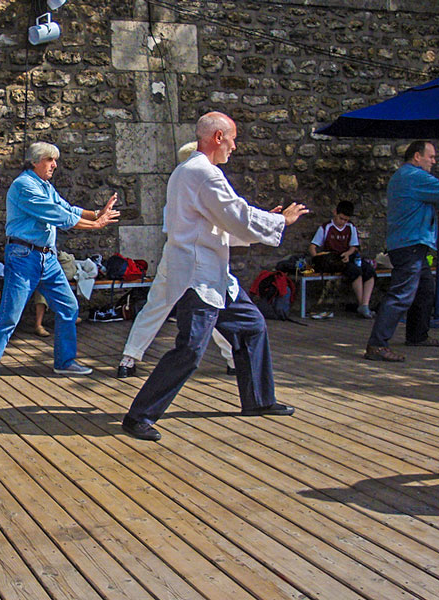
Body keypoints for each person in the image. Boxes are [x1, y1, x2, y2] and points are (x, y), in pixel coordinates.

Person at [121, 111, 308, 442]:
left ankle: (258, 400)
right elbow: (236, 216)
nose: (234, 147)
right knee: (190, 349)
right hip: (198, 277)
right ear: (217, 137)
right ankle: (139, 416)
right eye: (232, 138)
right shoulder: (203, 174)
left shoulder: (191, 172)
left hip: (213, 276)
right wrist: (281, 223)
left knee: (252, 327)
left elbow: (225, 221)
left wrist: (265, 220)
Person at [0, 142, 119, 388]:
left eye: (55, 160)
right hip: (23, 257)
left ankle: (64, 362)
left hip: (48, 259)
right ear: (34, 161)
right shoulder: (23, 186)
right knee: (10, 315)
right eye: (50, 160)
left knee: (68, 306)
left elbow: (67, 208)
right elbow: (58, 216)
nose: (55, 165)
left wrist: (96, 214)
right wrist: (96, 224)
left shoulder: (45, 186)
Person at [117, 141, 236, 379]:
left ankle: (128, 358)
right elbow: (229, 218)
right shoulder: (203, 183)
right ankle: (234, 359)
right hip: (199, 258)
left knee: (158, 306)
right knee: (214, 302)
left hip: (177, 256)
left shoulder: (179, 187)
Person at [364, 140, 439, 361]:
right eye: (431, 157)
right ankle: (377, 344)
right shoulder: (415, 177)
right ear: (417, 156)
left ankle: (417, 334)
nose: (434, 162)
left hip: (409, 244)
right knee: (401, 294)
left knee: (425, 288)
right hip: (410, 245)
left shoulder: (403, 176)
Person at [307, 200, 375, 318]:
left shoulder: (350, 227)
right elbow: (313, 246)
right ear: (335, 213)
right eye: (341, 218)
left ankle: (365, 304)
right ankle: (361, 304)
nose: (342, 222)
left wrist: (348, 253)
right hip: (334, 258)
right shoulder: (326, 227)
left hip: (348, 255)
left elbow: (354, 246)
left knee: (369, 271)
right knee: (355, 272)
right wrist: (317, 258)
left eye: (345, 220)